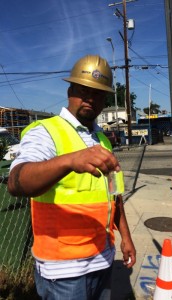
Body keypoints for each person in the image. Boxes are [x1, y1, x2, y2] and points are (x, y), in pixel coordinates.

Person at [7, 54, 136, 300]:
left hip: (102, 259)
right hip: (64, 271)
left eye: (98, 93)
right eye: (83, 90)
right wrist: (69, 161)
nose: (90, 98)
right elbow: (16, 182)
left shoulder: (103, 140)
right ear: (70, 91)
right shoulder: (45, 132)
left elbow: (114, 196)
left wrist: (126, 238)